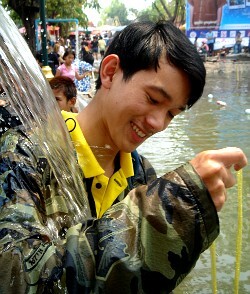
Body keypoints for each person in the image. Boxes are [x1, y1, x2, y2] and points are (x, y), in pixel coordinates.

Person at [0, 21, 247, 293]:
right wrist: (173, 206)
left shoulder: (142, 173)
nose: (157, 123)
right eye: (153, 99)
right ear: (110, 72)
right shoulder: (23, 153)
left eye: (171, 114)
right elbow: (19, 278)